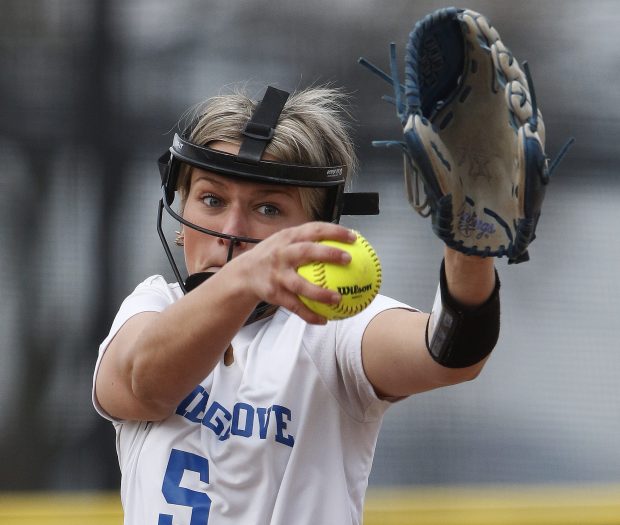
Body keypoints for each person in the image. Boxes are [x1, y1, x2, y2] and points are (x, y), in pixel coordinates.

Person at [92, 85, 500, 525]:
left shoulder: (330, 322)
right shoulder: (152, 306)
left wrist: (469, 247)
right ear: (182, 209)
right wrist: (244, 278)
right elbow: (147, 387)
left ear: (315, 232)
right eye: (212, 199)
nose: (231, 230)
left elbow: (452, 352)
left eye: (268, 208)